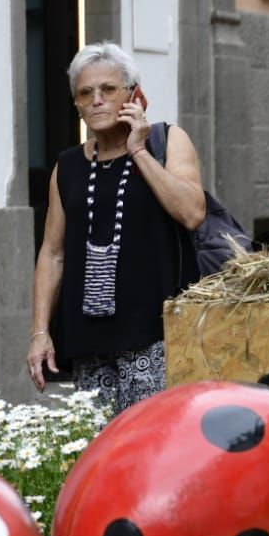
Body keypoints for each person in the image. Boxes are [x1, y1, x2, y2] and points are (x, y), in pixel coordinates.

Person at [28, 42, 205, 415]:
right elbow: (52, 253)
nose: (96, 100)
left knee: (153, 443)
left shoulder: (167, 141)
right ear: (76, 104)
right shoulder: (68, 166)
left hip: (157, 335)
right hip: (90, 340)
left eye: (108, 90)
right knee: (101, 451)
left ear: (134, 95)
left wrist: (138, 150)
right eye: (85, 93)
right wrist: (40, 332)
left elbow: (191, 212)